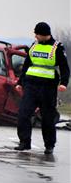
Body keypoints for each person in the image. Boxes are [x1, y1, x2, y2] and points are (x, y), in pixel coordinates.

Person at [14, 22, 68, 154]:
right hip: (31, 85)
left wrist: (63, 83)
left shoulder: (57, 47)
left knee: (47, 118)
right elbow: (26, 65)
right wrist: (20, 83)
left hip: (47, 87)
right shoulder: (34, 45)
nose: (35, 36)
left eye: (37, 34)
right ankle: (24, 142)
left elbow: (65, 68)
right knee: (23, 114)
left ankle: (49, 145)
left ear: (44, 34)